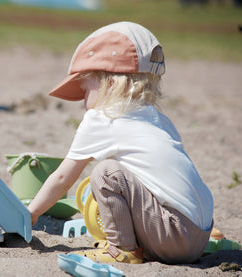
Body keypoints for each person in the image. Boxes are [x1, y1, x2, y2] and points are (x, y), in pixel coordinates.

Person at [27, 21, 214, 264]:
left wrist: (32, 213)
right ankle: (137, 242)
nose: (83, 100)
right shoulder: (157, 118)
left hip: (173, 236)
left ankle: (121, 249)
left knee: (106, 173)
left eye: (85, 90)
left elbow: (63, 177)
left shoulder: (102, 117)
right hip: (200, 234)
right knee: (126, 176)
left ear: (111, 84)